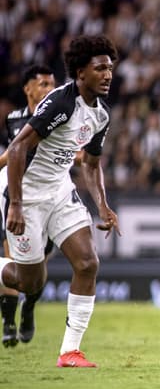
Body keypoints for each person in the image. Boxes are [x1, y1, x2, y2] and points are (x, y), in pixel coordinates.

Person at [0, 35, 121, 368]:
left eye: (110, 68)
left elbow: (92, 164)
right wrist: (16, 204)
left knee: (87, 263)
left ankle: (70, 351)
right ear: (81, 73)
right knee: (30, 283)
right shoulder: (61, 102)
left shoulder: (101, 115)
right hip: (26, 192)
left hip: (59, 190)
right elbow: (18, 149)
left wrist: (103, 206)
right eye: (100, 68)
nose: (108, 74)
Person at [1, 65, 56, 347]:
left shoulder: (60, 115)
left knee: (37, 269)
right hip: (18, 196)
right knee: (14, 259)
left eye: (52, 84)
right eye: (44, 84)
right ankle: (8, 322)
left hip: (51, 196)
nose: (50, 89)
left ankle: (29, 309)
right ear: (28, 89)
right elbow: (9, 153)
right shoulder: (12, 120)